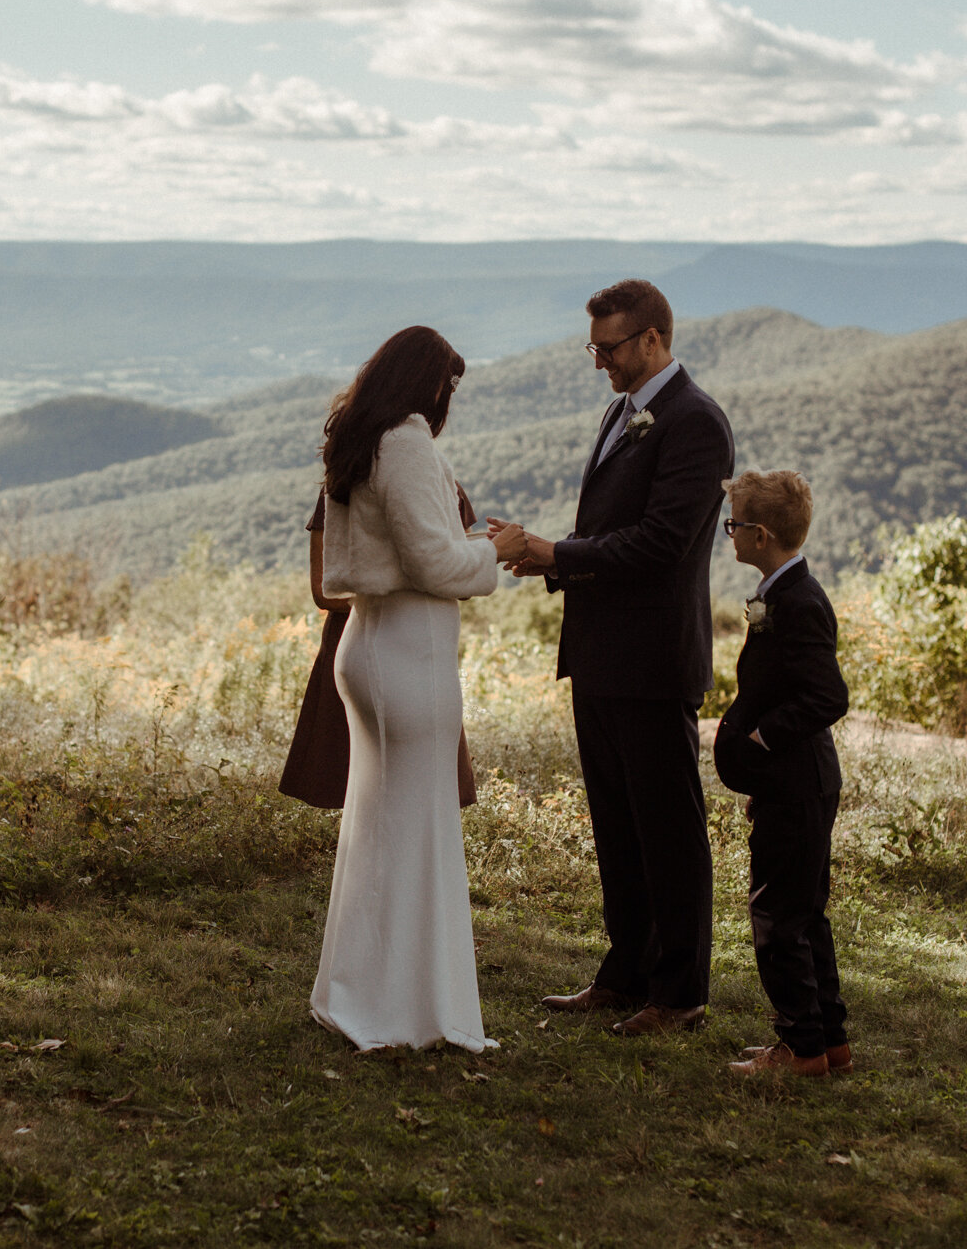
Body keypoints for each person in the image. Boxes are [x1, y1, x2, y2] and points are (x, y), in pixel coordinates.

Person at [490, 279, 735, 1037]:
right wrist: (551, 563)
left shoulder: (695, 423)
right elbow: (609, 528)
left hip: (655, 657)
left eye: (610, 347)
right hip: (600, 653)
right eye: (592, 346)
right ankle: (627, 972)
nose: (599, 361)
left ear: (654, 340)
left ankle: (681, 991)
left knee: (667, 829)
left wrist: (556, 550)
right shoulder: (623, 411)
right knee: (618, 825)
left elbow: (662, 544)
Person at [309, 326, 527, 1052]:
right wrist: (495, 547)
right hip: (405, 654)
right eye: (449, 384)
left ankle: (365, 991)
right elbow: (434, 561)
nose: (449, 400)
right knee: (415, 830)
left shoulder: (361, 436)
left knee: (381, 827)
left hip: (372, 645)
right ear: (424, 381)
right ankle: (405, 1008)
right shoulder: (402, 441)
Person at [710, 471, 852, 1078]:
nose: (729, 534)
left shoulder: (797, 599)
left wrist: (762, 739)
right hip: (791, 784)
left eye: (733, 525)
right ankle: (828, 1041)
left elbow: (827, 696)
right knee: (804, 913)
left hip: (797, 780)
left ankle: (799, 1048)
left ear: (760, 534)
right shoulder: (785, 588)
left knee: (776, 919)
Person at [278, 485, 479, 812]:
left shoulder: (442, 484)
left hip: (418, 646)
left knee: (420, 783)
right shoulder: (340, 486)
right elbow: (322, 590)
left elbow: (465, 580)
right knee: (354, 782)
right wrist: (414, 589)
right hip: (358, 641)